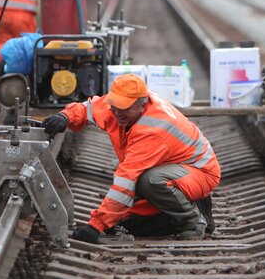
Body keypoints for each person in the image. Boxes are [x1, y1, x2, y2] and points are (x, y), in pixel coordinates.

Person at [41, 74, 220, 243]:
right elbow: (88, 108)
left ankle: (193, 221)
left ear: (141, 106)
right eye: (114, 106)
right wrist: (65, 117)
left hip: (200, 172)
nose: (117, 112)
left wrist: (96, 226)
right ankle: (184, 204)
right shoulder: (121, 107)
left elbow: (126, 179)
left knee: (149, 181)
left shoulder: (152, 131)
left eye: (124, 108)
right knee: (130, 216)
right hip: (173, 167)